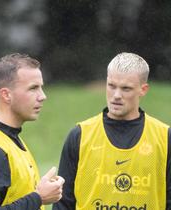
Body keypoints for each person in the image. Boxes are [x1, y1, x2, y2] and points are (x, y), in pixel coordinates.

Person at [53, 52, 171, 210]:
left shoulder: (164, 137)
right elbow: (63, 202)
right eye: (111, 86)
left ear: (143, 90)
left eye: (126, 89)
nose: (116, 95)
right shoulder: (80, 135)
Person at [0, 53, 65, 210]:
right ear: (6, 95)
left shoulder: (5, 137)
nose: (43, 96)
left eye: (41, 87)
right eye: (33, 88)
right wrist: (38, 197)